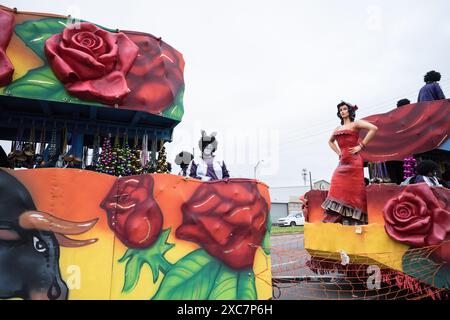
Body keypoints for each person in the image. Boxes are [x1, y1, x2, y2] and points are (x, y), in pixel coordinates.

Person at [322, 101, 378, 225]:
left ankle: (353, 221)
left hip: (354, 162)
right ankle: (337, 220)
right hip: (342, 162)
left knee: (354, 191)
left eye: (345, 109)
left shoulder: (356, 124)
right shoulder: (337, 128)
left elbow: (374, 128)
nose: (342, 111)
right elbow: (330, 141)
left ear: (350, 111)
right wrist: (338, 153)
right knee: (335, 188)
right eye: (340, 110)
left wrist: (361, 146)